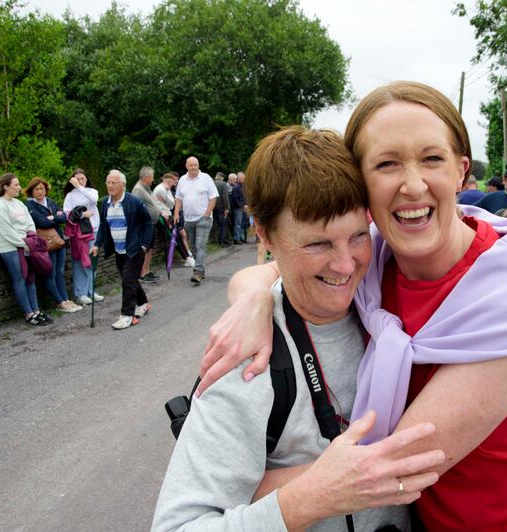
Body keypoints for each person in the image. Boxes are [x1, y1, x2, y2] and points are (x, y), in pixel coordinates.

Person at [198, 82, 507, 530]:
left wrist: (239, 495)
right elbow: (283, 265)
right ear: (361, 182)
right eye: (387, 163)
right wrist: (253, 296)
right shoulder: (370, 259)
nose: (412, 185)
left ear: (460, 170)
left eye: (432, 159)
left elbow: (386, 469)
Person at [153, 127, 444, 531]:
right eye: (317, 245)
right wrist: (311, 495)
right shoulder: (248, 359)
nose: (346, 265)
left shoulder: (390, 281)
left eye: (359, 235)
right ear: (265, 234)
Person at [92, 170, 153, 330]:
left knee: (127, 280)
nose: (110, 186)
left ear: (123, 185)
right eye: (108, 182)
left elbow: (148, 222)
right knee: (130, 280)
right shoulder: (104, 203)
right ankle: (143, 303)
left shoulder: (134, 201)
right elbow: (103, 227)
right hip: (118, 250)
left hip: (134, 249)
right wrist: (97, 244)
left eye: (114, 182)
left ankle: (127, 316)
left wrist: (144, 244)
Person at [0, 173, 50, 326]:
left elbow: (29, 222)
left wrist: (30, 238)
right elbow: (5, 231)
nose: (20, 188)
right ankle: (29, 314)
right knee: (20, 278)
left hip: (27, 245)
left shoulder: (19, 204)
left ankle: (36, 311)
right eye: (16, 185)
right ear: (5, 186)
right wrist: (24, 243)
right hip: (10, 248)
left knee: (30, 278)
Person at [24, 177, 82, 313]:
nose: (40, 191)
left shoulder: (50, 202)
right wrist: (55, 217)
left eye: (42, 188)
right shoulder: (29, 206)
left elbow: (63, 217)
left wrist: (53, 218)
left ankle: (66, 299)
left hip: (59, 241)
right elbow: (41, 222)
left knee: (59, 273)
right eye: (36, 189)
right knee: (50, 273)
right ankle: (59, 302)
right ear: (31, 191)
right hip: (46, 244)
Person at [63, 169, 105, 306]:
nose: (80, 180)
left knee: (92, 261)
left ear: (86, 179)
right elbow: (67, 213)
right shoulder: (70, 196)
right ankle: (80, 293)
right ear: (72, 180)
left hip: (94, 230)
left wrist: (80, 187)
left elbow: (94, 200)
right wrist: (82, 215)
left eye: (82, 178)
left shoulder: (92, 192)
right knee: (81, 262)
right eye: (77, 179)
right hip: (80, 233)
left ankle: (91, 291)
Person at [174, 156, 218, 284]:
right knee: (193, 246)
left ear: (198, 166)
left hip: (203, 218)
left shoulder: (206, 178)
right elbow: (178, 198)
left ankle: (197, 272)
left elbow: (213, 197)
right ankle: (201, 270)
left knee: (200, 245)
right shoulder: (182, 179)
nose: (193, 167)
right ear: (186, 166)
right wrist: (176, 213)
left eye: (195, 165)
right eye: (191, 165)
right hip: (188, 219)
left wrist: (207, 213)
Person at [133, 166, 170, 283]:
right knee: (146, 248)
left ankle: (147, 271)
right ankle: (142, 274)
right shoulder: (138, 189)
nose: (153, 179)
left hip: (151, 223)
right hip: (144, 225)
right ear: (147, 177)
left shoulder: (146, 188)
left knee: (150, 248)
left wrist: (160, 212)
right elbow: (136, 208)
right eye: (152, 177)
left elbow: (152, 204)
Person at [156, 172, 196, 268]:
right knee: (172, 237)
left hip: (168, 215)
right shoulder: (161, 190)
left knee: (173, 237)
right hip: (163, 217)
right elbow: (172, 203)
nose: (175, 184)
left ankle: (185, 257)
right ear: (168, 181)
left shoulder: (167, 189)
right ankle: (185, 258)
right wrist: (173, 202)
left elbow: (172, 203)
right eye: (173, 182)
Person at [212, 172, 232, 246]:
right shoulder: (223, 184)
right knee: (223, 225)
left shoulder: (212, 183)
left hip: (213, 207)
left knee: (215, 224)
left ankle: (215, 240)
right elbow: (225, 197)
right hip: (221, 207)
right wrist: (226, 208)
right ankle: (222, 242)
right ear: (222, 177)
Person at [230, 170, 247, 244]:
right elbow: (235, 199)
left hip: (243, 208)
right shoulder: (236, 187)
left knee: (242, 223)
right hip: (238, 208)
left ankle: (241, 237)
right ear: (239, 178)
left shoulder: (243, 186)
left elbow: (244, 197)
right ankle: (236, 238)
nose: (244, 179)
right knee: (238, 224)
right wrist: (242, 206)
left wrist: (246, 204)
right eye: (243, 178)